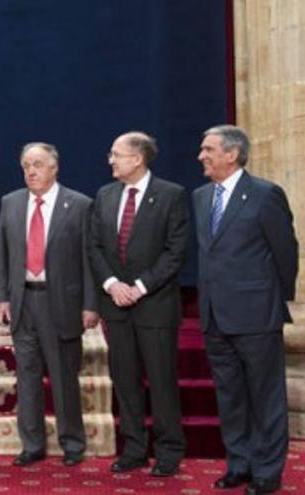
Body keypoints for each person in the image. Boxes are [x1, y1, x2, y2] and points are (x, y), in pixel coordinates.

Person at [194, 125, 298, 495]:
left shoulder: (265, 194)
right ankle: (239, 463)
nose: (201, 156)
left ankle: (268, 472)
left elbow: (286, 253)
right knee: (231, 396)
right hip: (214, 315)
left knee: (266, 397)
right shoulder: (201, 196)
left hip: (256, 314)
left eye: (208, 149)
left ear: (232, 154)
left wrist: (272, 299)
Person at [88, 132, 189, 476]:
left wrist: (141, 286)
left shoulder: (171, 195)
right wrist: (113, 285)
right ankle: (133, 448)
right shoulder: (104, 195)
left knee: (161, 382)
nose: (111, 160)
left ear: (138, 159)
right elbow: (95, 247)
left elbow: (175, 251)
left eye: (116, 154)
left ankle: (168, 451)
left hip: (155, 306)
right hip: (116, 305)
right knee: (125, 381)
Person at [0, 142, 98, 468]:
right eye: (26, 165)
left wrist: (90, 304)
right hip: (24, 301)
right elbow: (2, 255)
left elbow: (88, 260)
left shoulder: (79, 205)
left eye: (38, 164)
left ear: (55, 168)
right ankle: (32, 443)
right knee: (27, 378)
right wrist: (2, 297)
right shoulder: (10, 203)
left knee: (64, 377)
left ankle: (72, 442)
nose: (31, 171)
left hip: (61, 303)